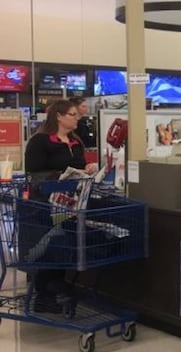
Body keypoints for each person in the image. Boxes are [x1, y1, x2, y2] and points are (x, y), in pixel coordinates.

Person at [24, 99, 99, 313]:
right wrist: (61, 175)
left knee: (62, 244)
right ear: (59, 116)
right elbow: (35, 173)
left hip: (70, 204)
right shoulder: (40, 141)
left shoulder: (75, 142)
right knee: (48, 246)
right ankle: (44, 292)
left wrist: (88, 168)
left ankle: (55, 289)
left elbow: (79, 165)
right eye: (73, 114)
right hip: (44, 205)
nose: (78, 118)